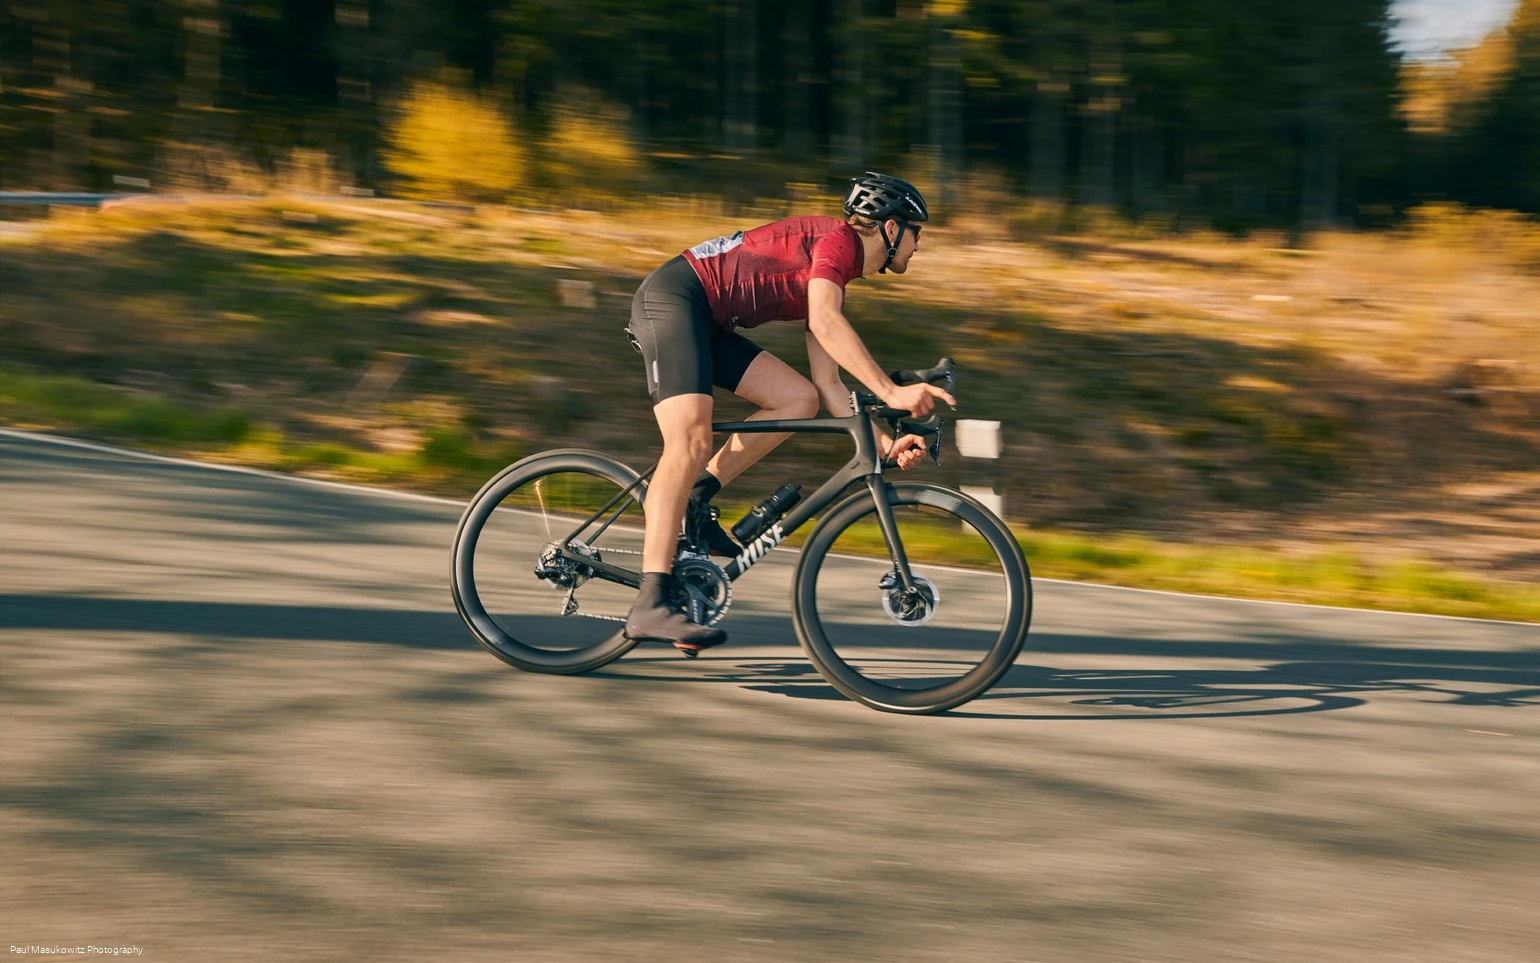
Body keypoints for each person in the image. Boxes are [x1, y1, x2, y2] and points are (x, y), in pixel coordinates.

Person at [622, 172, 956, 656]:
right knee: (689, 441)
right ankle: (649, 602)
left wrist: (884, 446)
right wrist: (892, 391)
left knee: (798, 399)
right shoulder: (837, 243)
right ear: (888, 228)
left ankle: (695, 496)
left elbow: (829, 383)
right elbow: (824, 321)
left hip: (705, 319)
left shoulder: (832, 272)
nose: (918, 245)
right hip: (673, 301)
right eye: (915, 232)